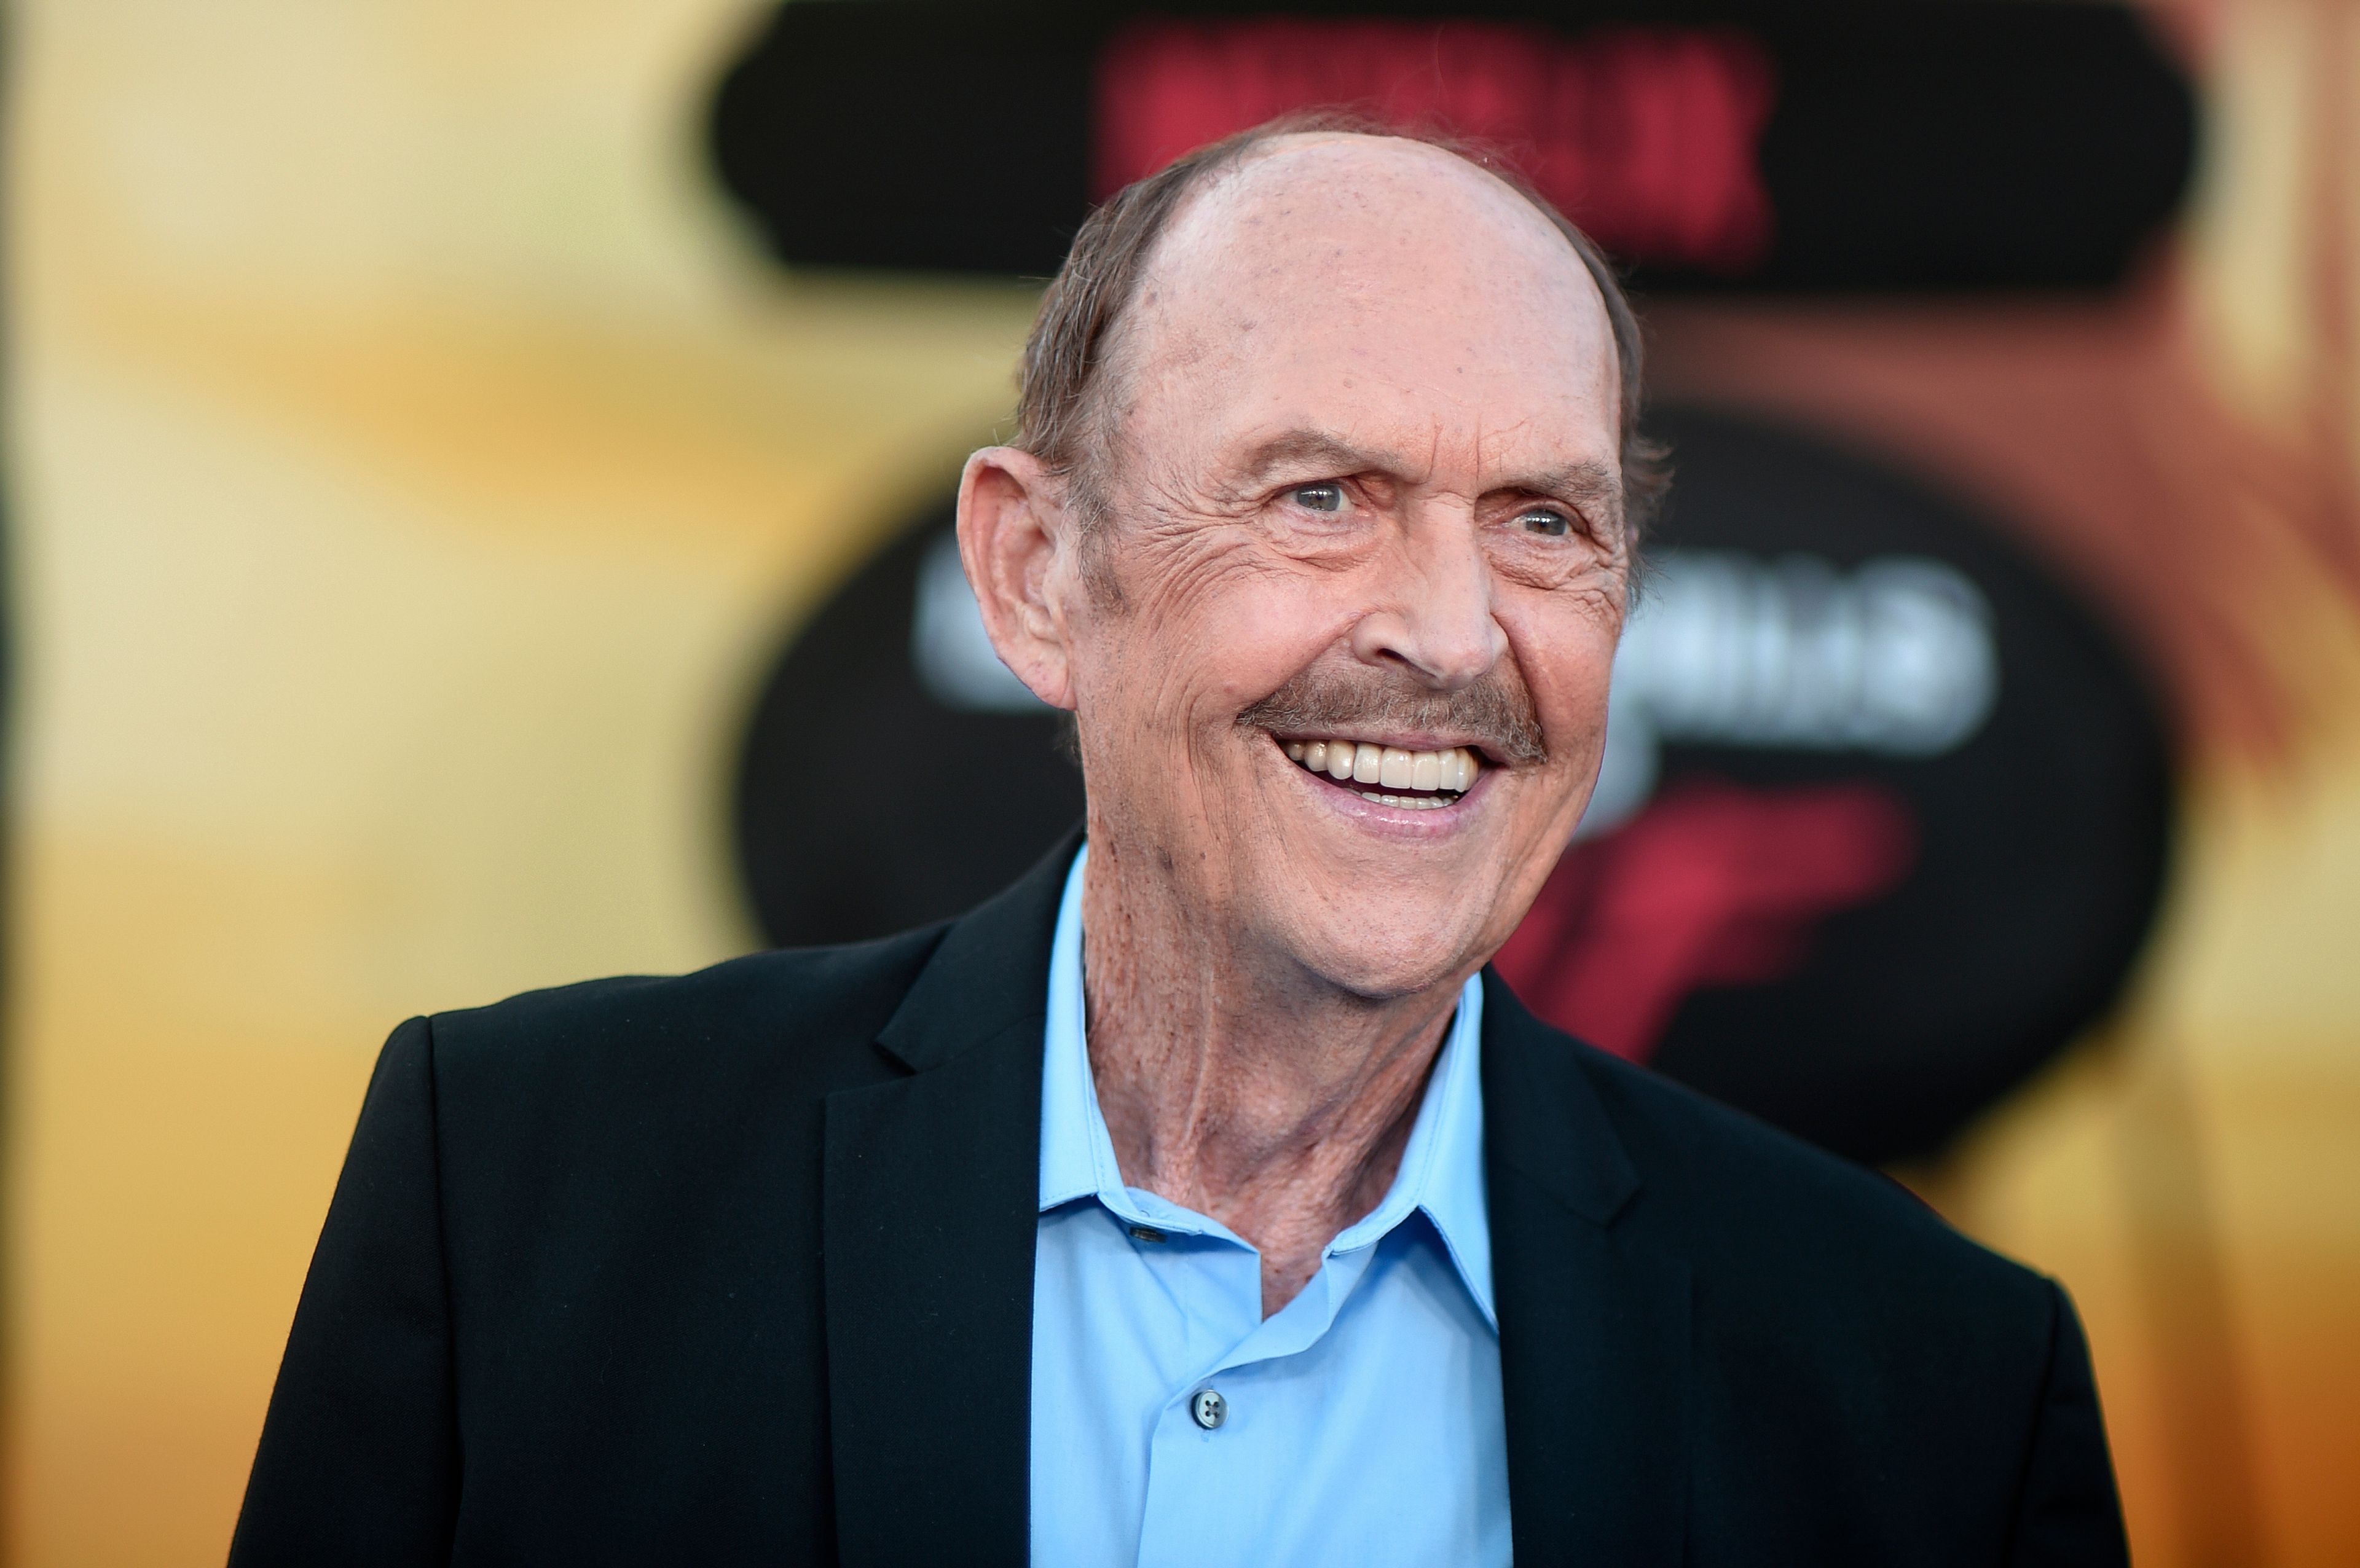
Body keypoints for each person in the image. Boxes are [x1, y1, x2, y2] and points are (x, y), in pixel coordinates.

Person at [229, 116, 2127, 1567]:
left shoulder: (1934, 1401)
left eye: (1544, 522)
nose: (1455, 637)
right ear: (1037, 573)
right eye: (1324, 497)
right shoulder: (527, 1205)